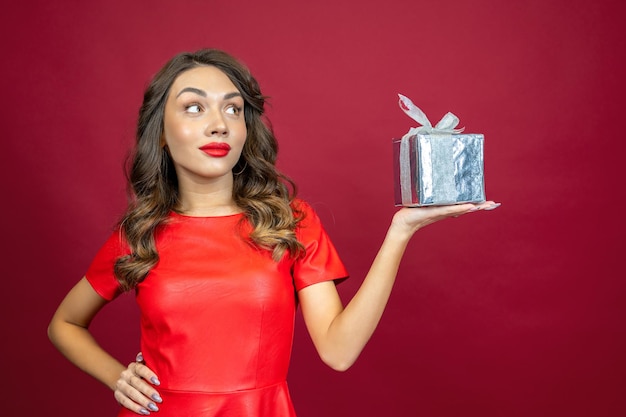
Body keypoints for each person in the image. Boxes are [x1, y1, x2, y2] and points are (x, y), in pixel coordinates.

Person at [47, 48, 499, 417]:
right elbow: (64, 324)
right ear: (162, 133)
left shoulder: (290, 222)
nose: (218, 122)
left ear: (246, 128)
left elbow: (339, 352)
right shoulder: (139, 234)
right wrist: (116, 376)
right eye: (194, 106)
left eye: (233, 108)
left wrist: (401, 232)